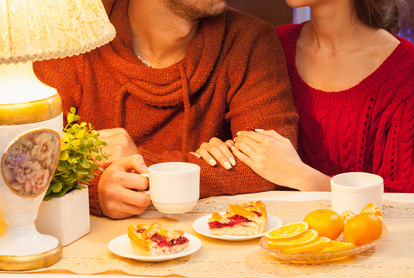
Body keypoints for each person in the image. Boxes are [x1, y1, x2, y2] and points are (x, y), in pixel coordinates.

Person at [33, 0, 299, 219]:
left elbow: (272, 164)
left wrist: (138, 163)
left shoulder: (249, 39)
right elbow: (26, 164)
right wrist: (95, 193)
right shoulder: (73, 33)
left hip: (205, 252)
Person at [196, 0, 414, 193]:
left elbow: (407, 201)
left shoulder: (409, 70)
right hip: (277, 237)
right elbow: (251, 152)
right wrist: (220, 150)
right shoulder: (272, 46)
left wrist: (303, 178)